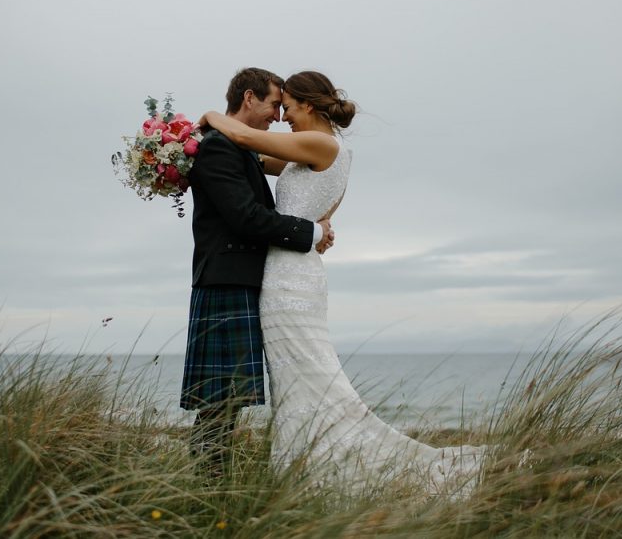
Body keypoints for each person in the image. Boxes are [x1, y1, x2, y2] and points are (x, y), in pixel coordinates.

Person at [198, 71, 487, 498]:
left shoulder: (321, 144)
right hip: (293, 272)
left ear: (309, 106)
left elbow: (244, 141)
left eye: (289, 108)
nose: (284, 118)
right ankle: (305, 467)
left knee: (309, 377)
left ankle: (321, 471)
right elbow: (255, 162)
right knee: (301, 378)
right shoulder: (313, 153)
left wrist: (207, 116)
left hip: (289, 280)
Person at [181, 67, 334, 478]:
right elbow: (247, 218)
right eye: (272, 105)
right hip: (226, 281)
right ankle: (208, 484)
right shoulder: (217, 149)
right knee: (220, 401)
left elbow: (290, 171)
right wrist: (312, 231)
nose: (277, 116)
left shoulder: (238, 147)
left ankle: (212, 481)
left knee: (228, 401)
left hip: (243, 279)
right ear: (249, 98)